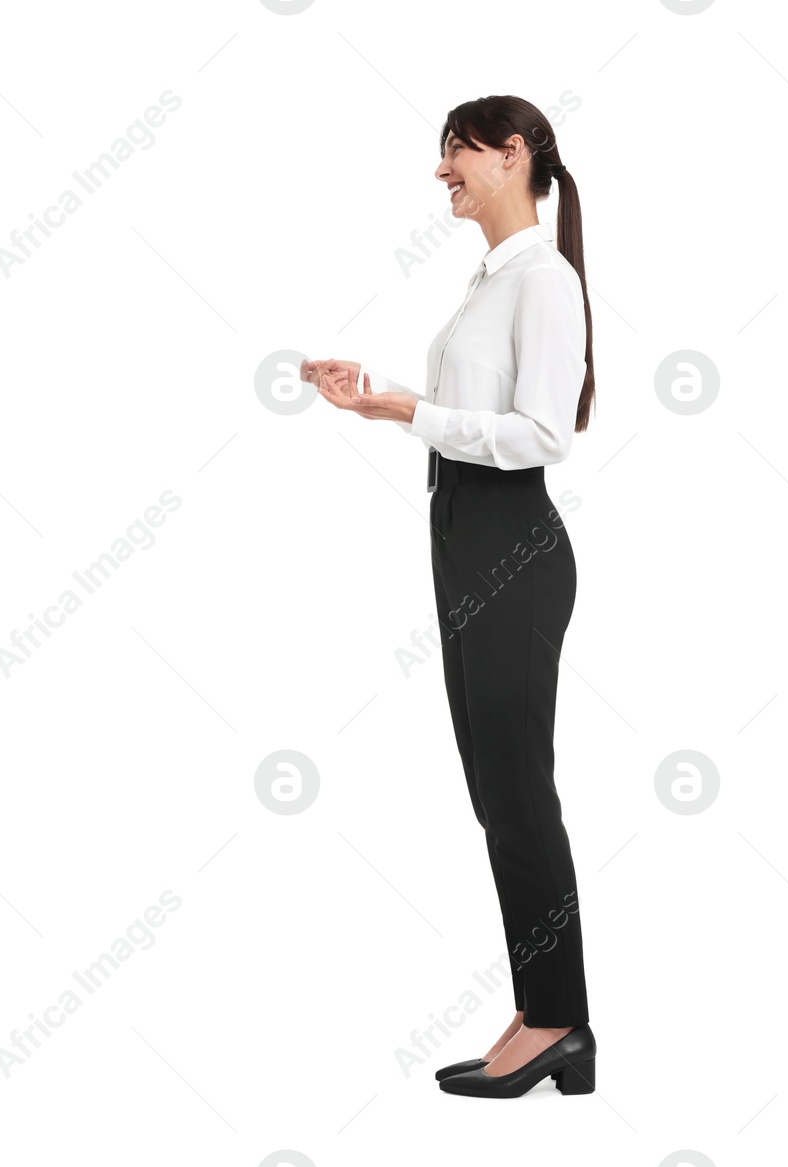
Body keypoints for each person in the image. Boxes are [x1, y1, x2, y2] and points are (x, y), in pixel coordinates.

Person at [304, 95, 598, 1099]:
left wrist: (404, 406)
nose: (442, 171)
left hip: (510, 543)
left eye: (457, 151)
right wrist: (382, 398)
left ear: (512, 155)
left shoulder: (543, 280)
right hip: (465, 538)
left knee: (518, 792)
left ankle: (560, 1022)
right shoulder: (492, 278)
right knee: (494, 794)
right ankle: (541, 1004)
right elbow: (471, 414)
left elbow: (543, 435)